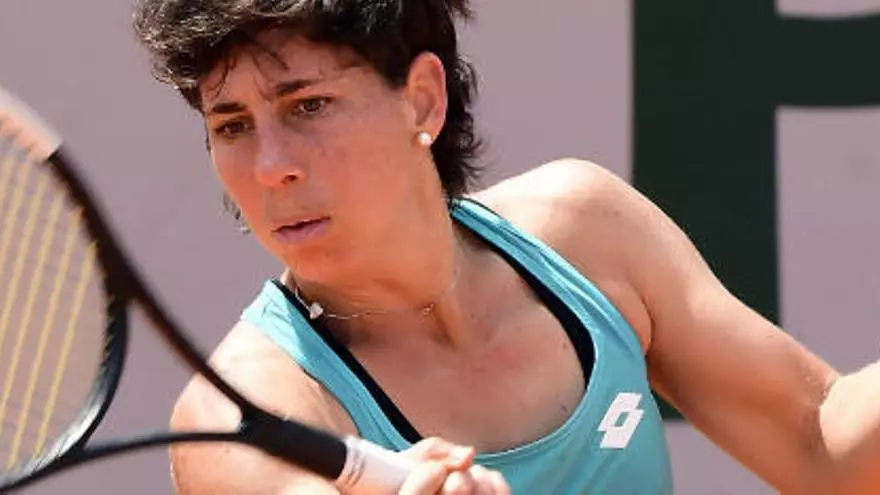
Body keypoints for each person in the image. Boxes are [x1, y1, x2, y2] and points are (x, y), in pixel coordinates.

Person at [132, 1, 880, 493]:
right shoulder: (242, 414)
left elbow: (820, 444)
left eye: (309, 105)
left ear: (422, 100)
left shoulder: (585, 230)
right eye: (232, 125)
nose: (270, 167)